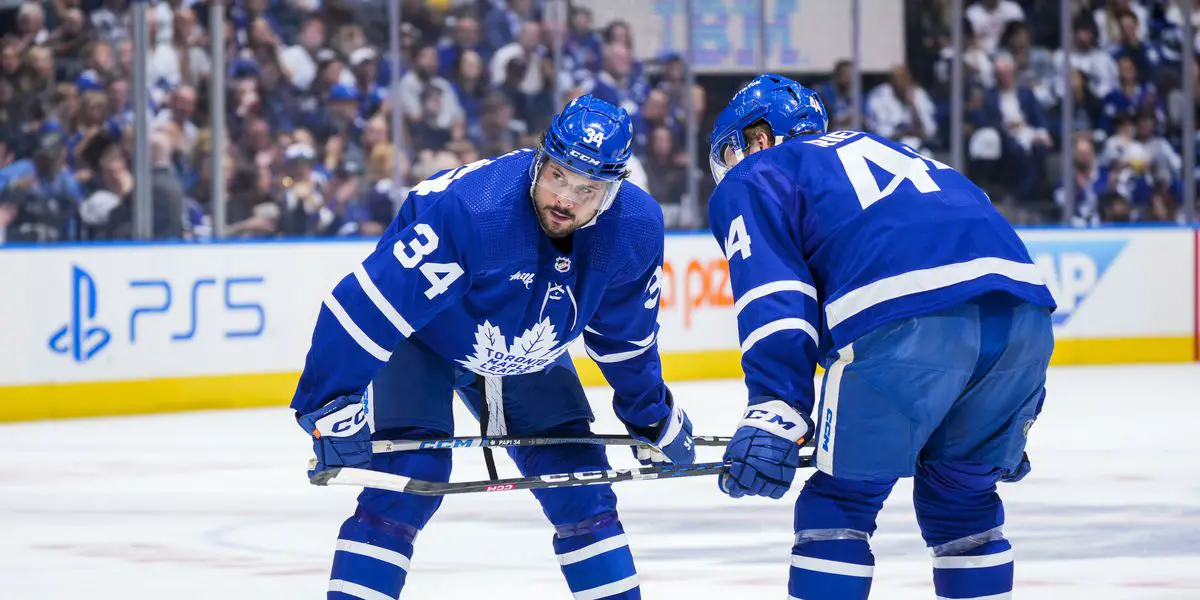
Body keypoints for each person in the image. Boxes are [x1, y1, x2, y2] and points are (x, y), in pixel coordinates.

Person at [290, 94, 694, 600]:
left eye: (587, 188)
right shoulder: (475, 210)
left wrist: (651, 415)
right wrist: (328, 405)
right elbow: (363, 307)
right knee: (407, 481)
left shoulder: (634, 227)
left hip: (531, 346)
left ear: (613, 192)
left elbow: (624, 340)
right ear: (540, 159)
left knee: (581, 485)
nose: (565, 198)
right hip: (429, 338)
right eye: (558, 176)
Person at [705, 74, 1057, 600]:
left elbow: (776, 295)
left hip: (905, 321)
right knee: (963, 500)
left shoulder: (758, 172)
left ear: (756, 139)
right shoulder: (901, 152)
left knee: (840, 503)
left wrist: (776, 408)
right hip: (1024, 323)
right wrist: (1004, 415)